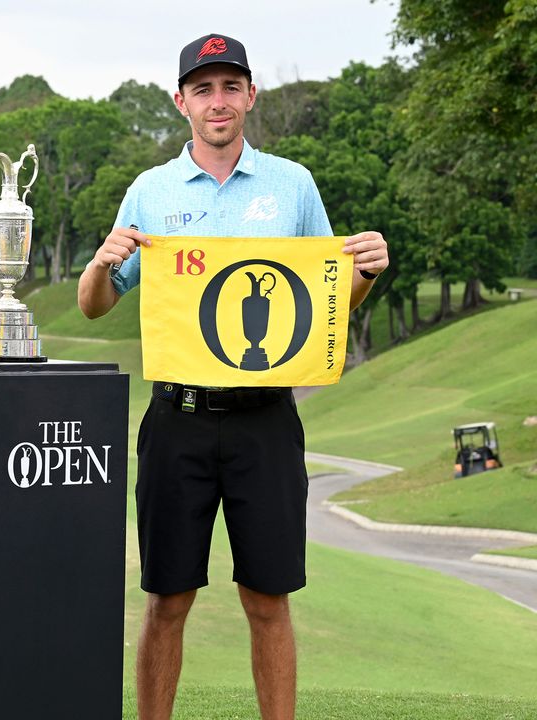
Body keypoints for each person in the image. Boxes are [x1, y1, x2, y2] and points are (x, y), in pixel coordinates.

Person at [76, 33, 389, 720]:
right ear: (181, 101)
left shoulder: (292, 185)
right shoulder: (151, 190)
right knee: (167, 600)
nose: (217, 102)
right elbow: (95, 306)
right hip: (176, 420)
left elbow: (326, 301)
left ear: (250, 95)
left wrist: (362, 271)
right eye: (203, 89)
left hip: (265, 421)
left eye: (230, 87)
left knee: (268, 601)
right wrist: (101, 264)